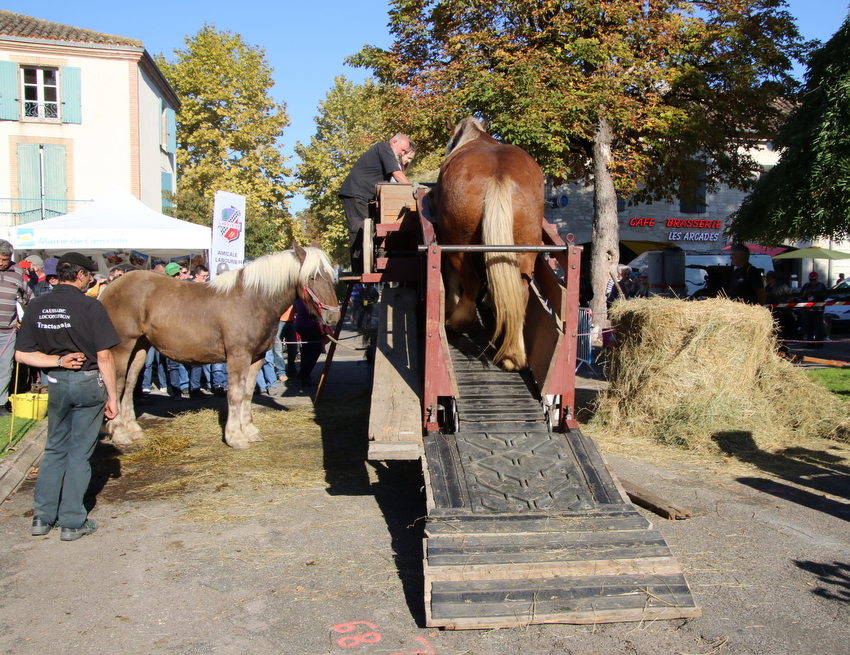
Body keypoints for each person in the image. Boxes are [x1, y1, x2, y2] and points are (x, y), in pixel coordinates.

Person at [14, 252, 120, 541]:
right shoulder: (90, 306)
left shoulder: (37, 304)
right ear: (80, 274)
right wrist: (113, 397)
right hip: (87, 382)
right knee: (79, 453)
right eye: (89, 276)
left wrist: (57, 361)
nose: (90, 281)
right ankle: (72, 521)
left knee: (54, 449)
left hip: (57, 382)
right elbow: (104, 356)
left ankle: (42, 517)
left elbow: (22, 354)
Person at [338, 134, 412, 274]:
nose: (403, 153)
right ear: (394, 142)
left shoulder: (385, 151)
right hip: (356, 193)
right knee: (359, 231)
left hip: (365, 196)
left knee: (368, 232)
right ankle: (359, 272)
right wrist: (413, 191)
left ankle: (366, 268)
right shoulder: (384, 148)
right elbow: (397, 175)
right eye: (403, 150)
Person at [0, 240, 32, 416]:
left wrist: (29, 319)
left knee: (5, 367)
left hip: (8, 330)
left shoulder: (17, 272)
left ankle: (1, 404)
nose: (1, 263)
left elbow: (29, 298)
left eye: (5, 259)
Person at [799, 271, 827, 347]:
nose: (812, 281)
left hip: (818, 310)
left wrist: (817, 297)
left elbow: (825, 296)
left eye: (814, 280)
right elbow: (801, 296)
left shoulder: (821, 286)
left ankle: (819, 343)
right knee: (808, 327)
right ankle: (810, 342)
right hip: (807, 310)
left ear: (817, 279)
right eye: (811, 279)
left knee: (818, 327)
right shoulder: (806, 286)